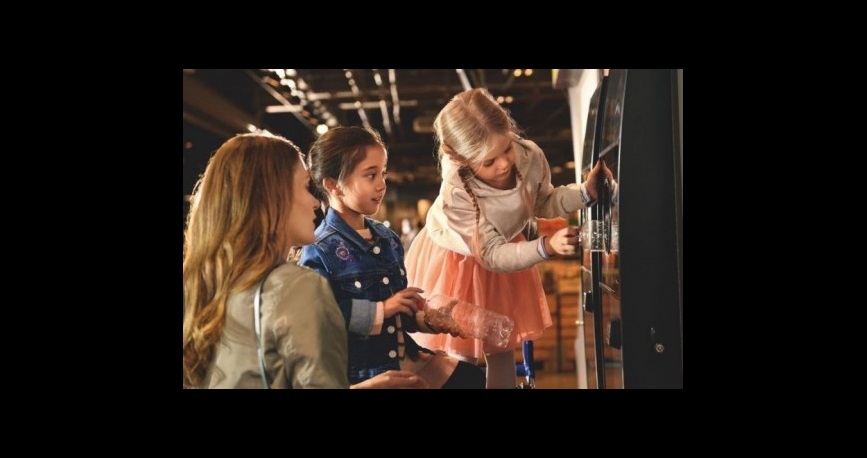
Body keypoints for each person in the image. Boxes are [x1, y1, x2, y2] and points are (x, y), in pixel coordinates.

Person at [405, 88, 616, 388]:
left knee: (502, 347)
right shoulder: (457, 192)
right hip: (458, 259)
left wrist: (584, 193)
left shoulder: (529, 155)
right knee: (460, 350)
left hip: (508, 252)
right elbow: (489, 254)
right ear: (462, 160)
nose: (504, 164)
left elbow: (543, 201)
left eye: (506, 149)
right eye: (488, 162)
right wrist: (545, 246)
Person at [182, 132, 428, 389]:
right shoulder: (299, 287)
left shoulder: (202, 284)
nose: (314, 201)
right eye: (304, 187)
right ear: (272, 199)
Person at [299, 126, 485, 389]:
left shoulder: (387, 239)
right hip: (365, 374)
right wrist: (382, 309)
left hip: (407, 358)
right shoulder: (318, 249)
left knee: (474, 378)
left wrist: (431, 319)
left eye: (383, 173)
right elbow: (321, 320)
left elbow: (402, 314)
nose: (381, 184)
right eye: (370, 175)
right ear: (333, 185)